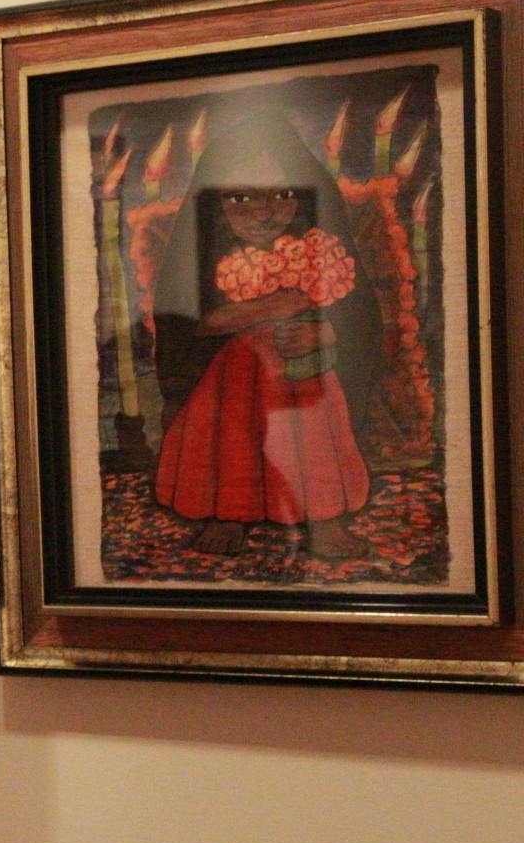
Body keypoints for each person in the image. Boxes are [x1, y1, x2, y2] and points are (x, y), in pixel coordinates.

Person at [149, 109, 378, 559]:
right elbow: (187, 323)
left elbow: (358, 316)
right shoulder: (205, 254)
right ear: (215, 201)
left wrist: (325, 333)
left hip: (306, 381)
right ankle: (228, 513)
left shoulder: (318, 246)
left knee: (313, 434)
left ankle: (323, 517)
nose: (263, 211)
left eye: (283, 194)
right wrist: (266, 309)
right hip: (231, 381)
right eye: (240, 198)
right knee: (231, 437)